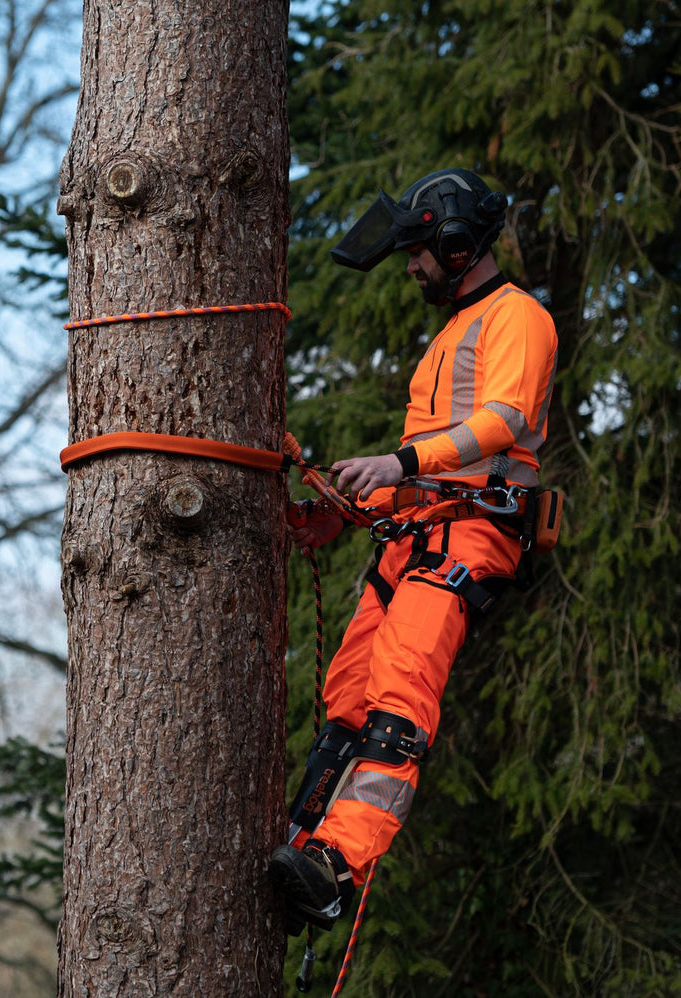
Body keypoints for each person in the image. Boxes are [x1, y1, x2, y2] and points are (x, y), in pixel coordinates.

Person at [267, 168, 558, 934]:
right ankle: (300, 847)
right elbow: (434, 465)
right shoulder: (449, 338)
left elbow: (500, 423)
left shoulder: (518, 318)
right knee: (346, 703)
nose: (412, 266)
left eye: (422, 251)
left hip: (467, 537)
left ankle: (336, 867)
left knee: (399, 706)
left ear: (459, 246)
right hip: (412, 537)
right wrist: (344, 514)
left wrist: (399, 465)